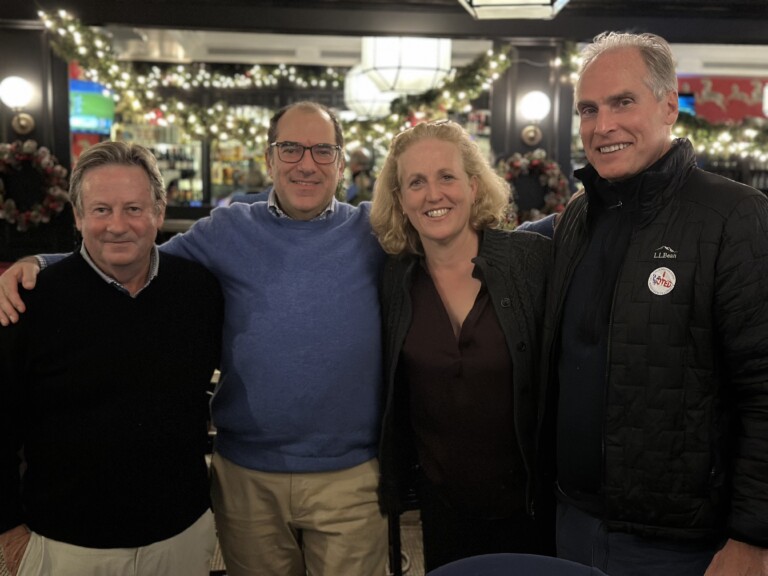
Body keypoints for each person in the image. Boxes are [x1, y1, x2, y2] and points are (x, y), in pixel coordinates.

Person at [0, 101, 388, 576]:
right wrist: (38, 264)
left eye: (323, 150)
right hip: (246, 473)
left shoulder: (376, 231)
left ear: (342, 161)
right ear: (269, 159)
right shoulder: (227, 230)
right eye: (290, 148)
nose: (306, 163)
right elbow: (131, 249)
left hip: (350, 475)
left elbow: (443, 239)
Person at [540, 31, 768, 576]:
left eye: (623, 102)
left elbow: (764, 388)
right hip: (571, 522)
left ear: (669, 106)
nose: (602, 126)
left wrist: (753, 539)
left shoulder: (734, 217)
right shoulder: (578, 216)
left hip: (684, 545)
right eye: (588, 110)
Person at [0, 141, 224, 576]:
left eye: (134, 209)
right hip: (66, 544)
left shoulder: (199, 292)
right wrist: (8, 532)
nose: (117, 226)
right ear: (79, 216)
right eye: (101, 210)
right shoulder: (29, 302)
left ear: (158, 213)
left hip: (182, 532)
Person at [369, 120, 554, 572]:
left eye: (446, 177)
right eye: (416, 182)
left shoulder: (531, 262)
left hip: (533, 505)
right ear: (400, 200)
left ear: (473, 185)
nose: (434, 194)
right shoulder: (392, 280)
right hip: (442, 509)